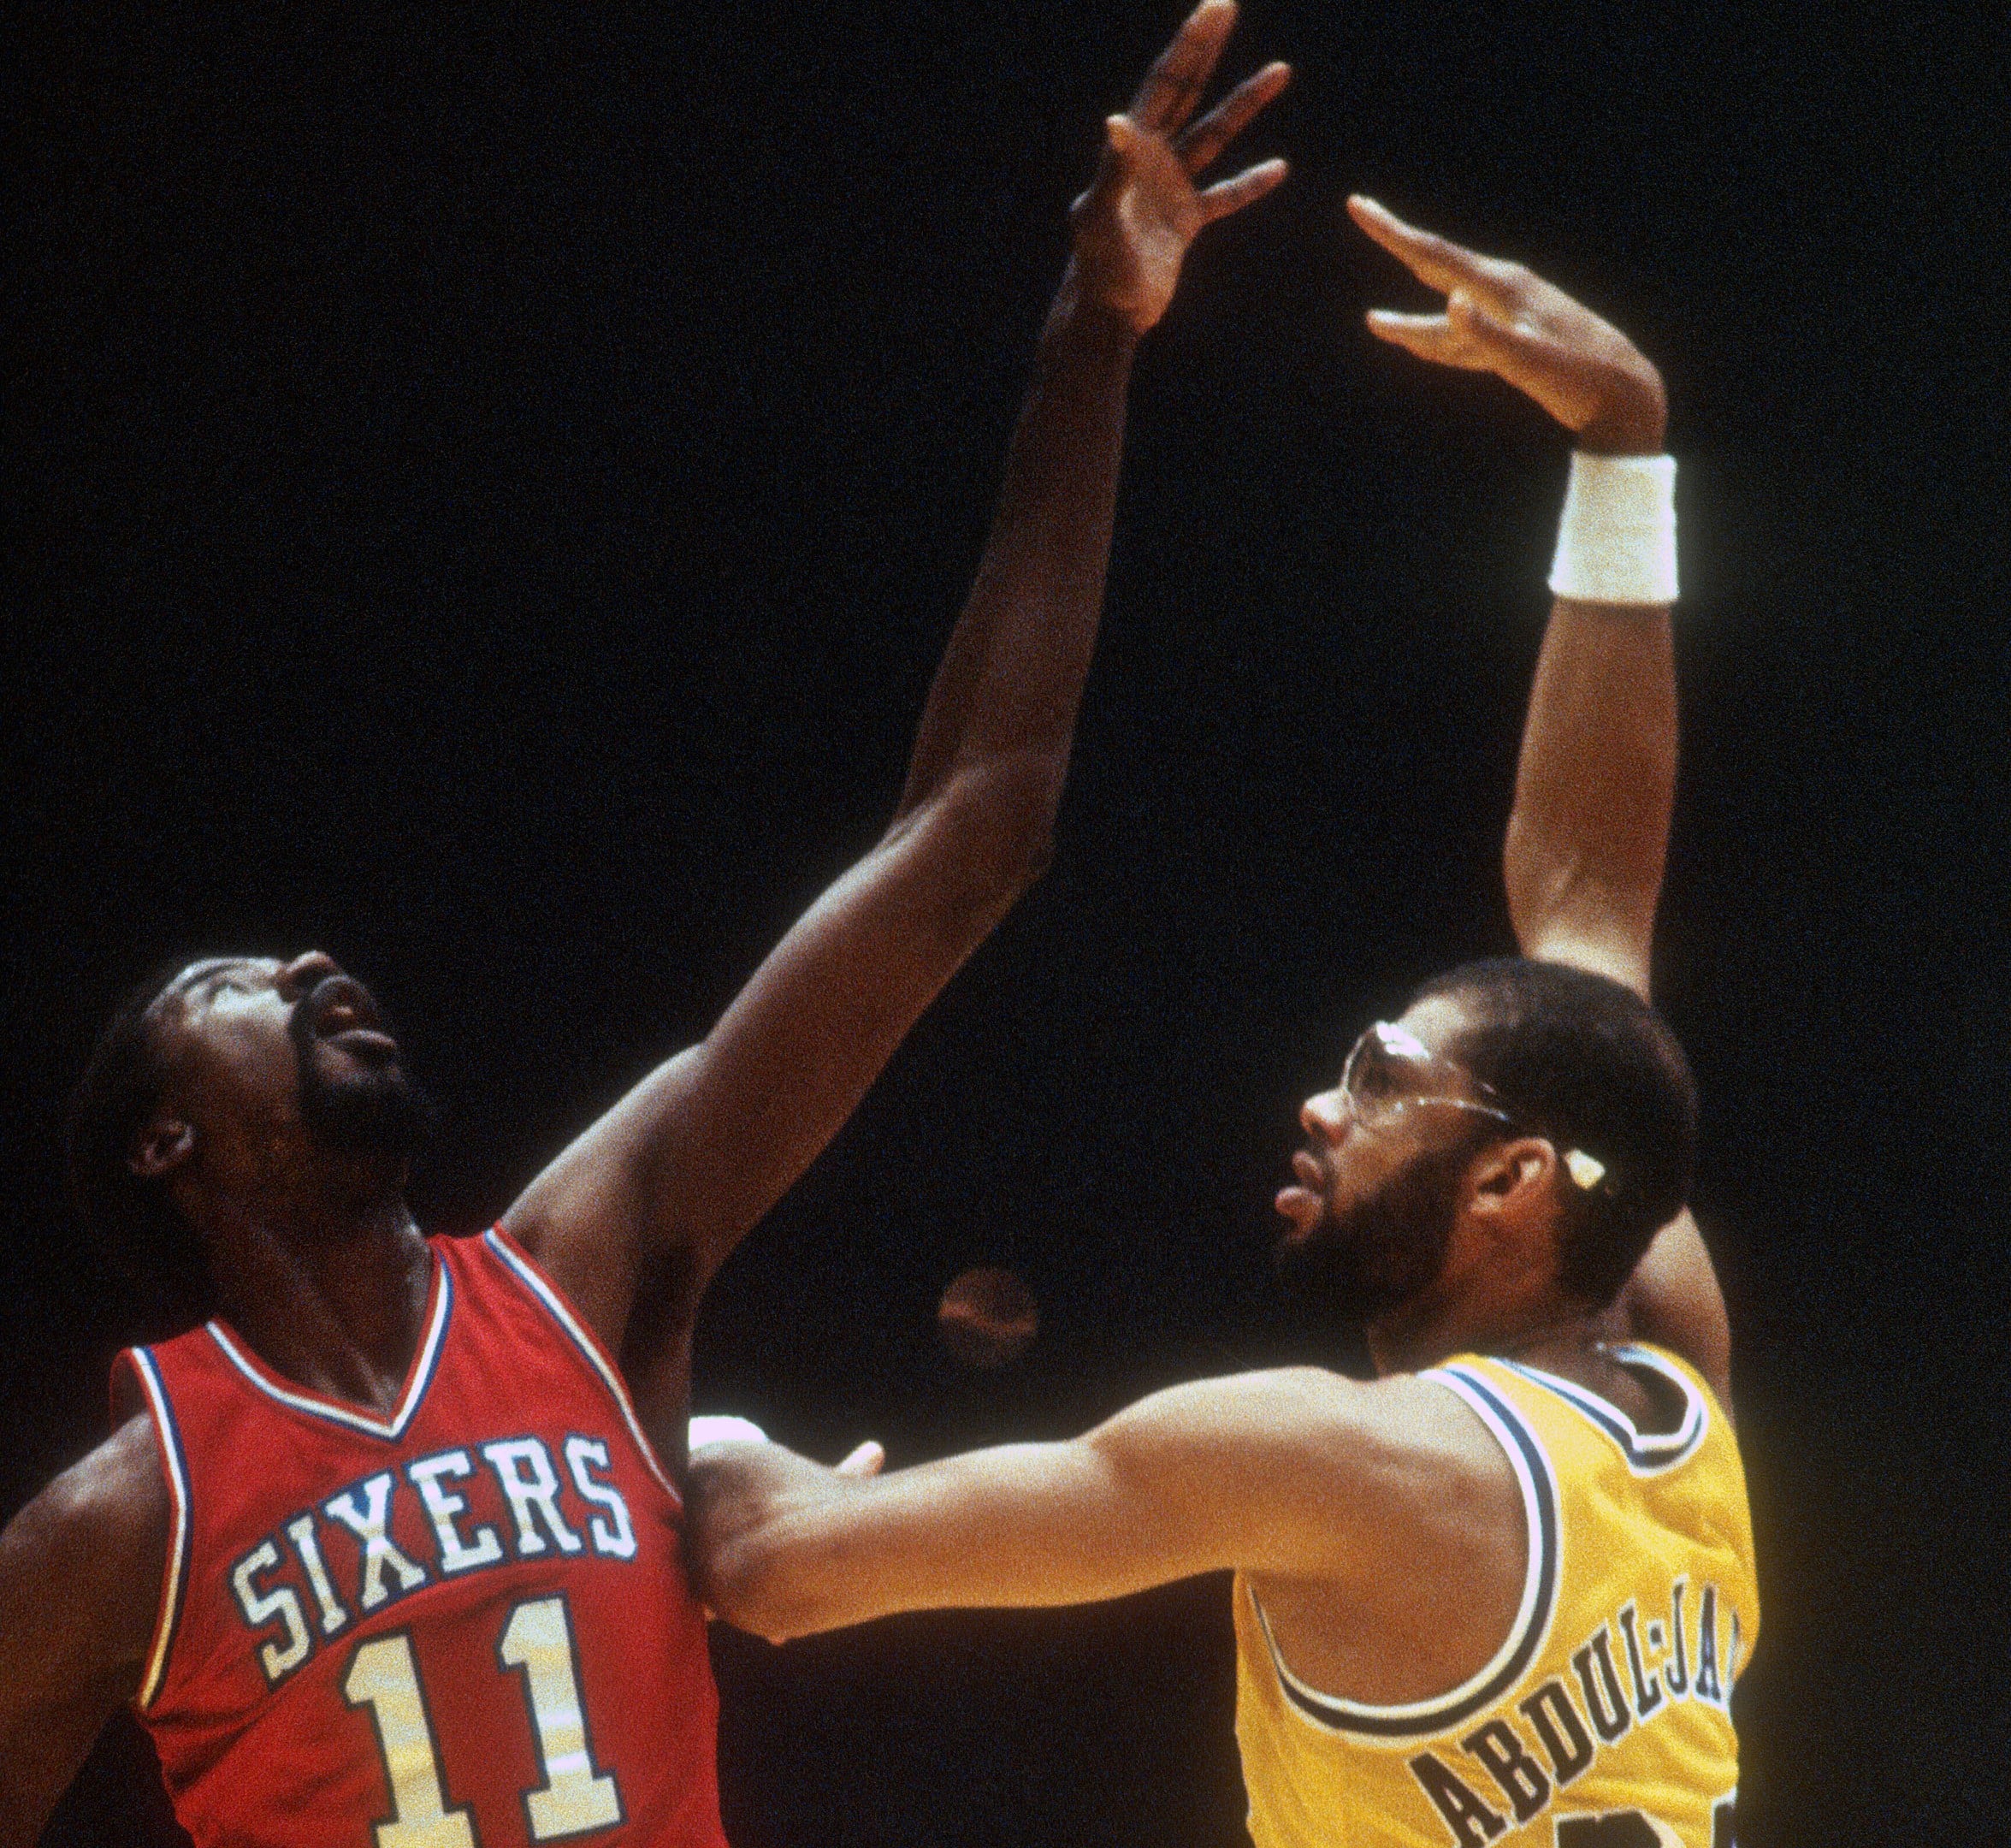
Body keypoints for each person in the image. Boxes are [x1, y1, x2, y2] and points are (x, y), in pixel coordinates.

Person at [0, 9, 1291, 1842]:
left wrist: (1093, 338)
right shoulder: (126, 1521)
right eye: (238, 986)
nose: (311, 969)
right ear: (166, 1137)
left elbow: (974, 829)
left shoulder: (587, 1272)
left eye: (307, 961)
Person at [689, 199, 1757, 1848]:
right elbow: (1590, 914)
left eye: (1382, 1078)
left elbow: (765, 1569)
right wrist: (1623, 445)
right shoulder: (1664, 1368)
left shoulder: (1332, 1460)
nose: (1326, 1105)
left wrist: (709, 1425)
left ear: (1510, 1186)